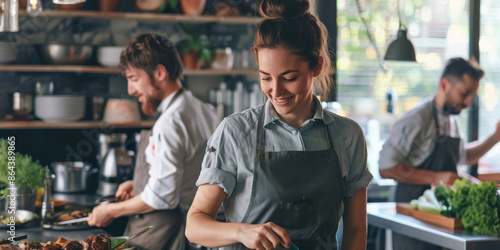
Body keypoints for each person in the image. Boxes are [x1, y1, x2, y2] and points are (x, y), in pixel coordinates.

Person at [185, 1, 373, 249]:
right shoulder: (236, 132)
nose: (275, 90)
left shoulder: (348, 135)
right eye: (265, 77)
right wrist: (243, 232)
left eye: (289, 77)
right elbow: (195, 225)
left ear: (316, 66)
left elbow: (356, 228)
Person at [87, 33, 219, 250]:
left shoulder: (170, 122)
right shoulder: (202, 109)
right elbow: (187, 172)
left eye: (133, 78)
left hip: (171, 231)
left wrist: (110, 210)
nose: (130, 90)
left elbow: (161, 197)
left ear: (159, 72)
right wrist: (138, 185)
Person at [379, 57, 500, 249]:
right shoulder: (417, 119)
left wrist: (495, 137)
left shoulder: (450, 119)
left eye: (473, 96)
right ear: (445, 84)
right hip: (411, 217)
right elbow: (386, 168)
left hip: (439, 221)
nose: (469, 102)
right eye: (465, 93)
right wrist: (438, 177)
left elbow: (463, 157)